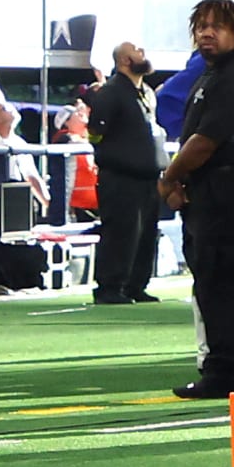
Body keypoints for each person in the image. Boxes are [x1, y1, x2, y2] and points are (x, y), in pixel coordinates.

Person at [160, 0, 234, 397]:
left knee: (223, 282)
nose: (206, 33)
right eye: (201, 26)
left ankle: (227, 371)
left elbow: (204, 142)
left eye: (216, 26)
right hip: (210, 186)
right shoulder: (210, 76)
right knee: (213, 280)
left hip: (226, 185)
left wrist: (170, 177)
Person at [87, 41, 164, 305]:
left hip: (148, 176)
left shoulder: (147, 93)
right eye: (136, 51)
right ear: (123, 61)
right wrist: (116, 154)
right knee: (121, 232)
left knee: (145, 235)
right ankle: (110, 286)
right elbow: (95, 133)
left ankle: (135, 285)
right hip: (120, 176)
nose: (142, 53)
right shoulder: (111, 93)